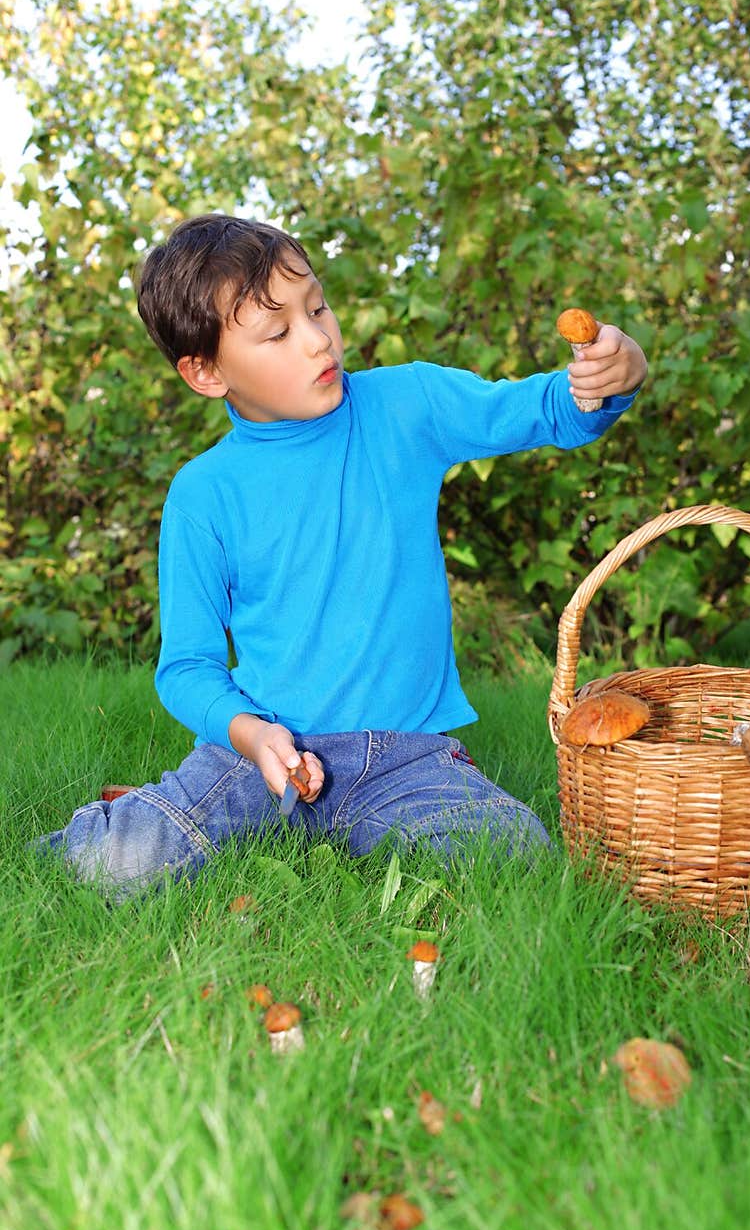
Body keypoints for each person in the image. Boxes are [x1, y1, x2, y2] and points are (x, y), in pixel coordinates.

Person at [40, 213, 647, 896]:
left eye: (318, 306)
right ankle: (137, 815)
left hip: (407, 760)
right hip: (259, 759)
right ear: (206, 371)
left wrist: (609, 378)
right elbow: (186, 668)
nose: (317, 338)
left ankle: (312, 820)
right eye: (278, 332)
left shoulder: (405, 404)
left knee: (513, 863)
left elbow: (551, 409)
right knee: (117, 864)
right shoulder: (202, 495)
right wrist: (249, 734)